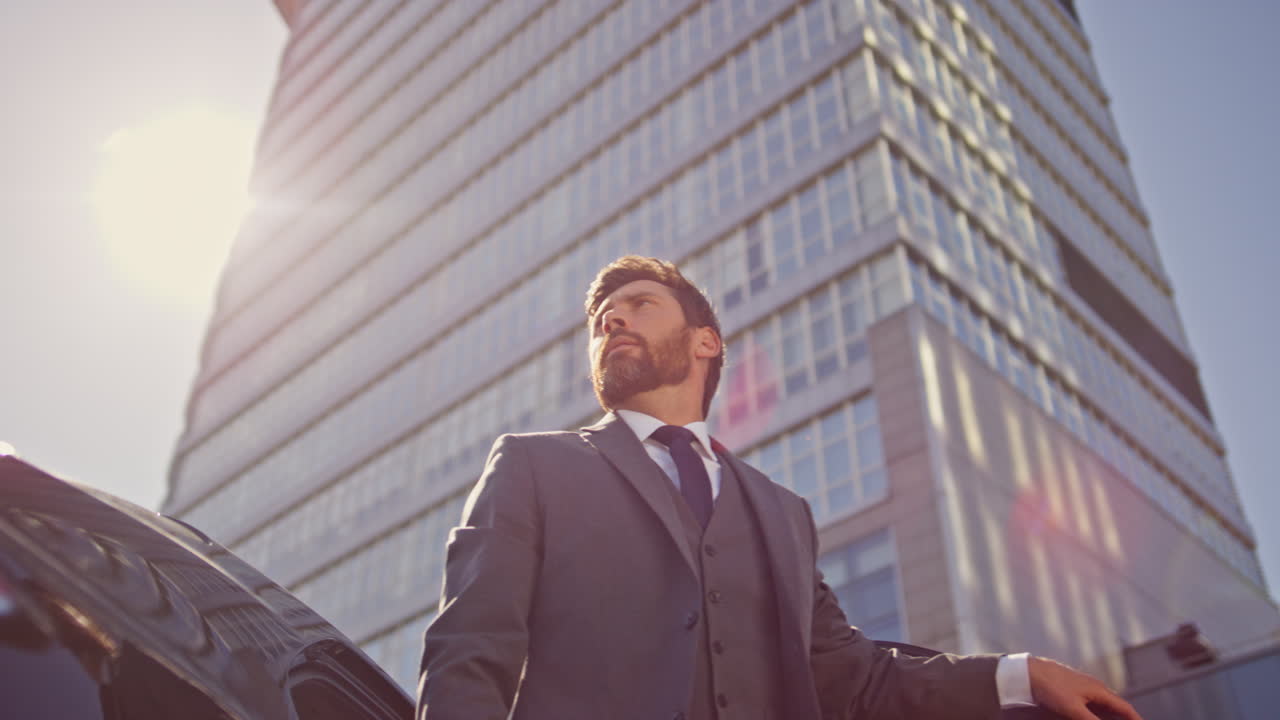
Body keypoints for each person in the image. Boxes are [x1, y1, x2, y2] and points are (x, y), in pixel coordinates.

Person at [418, 256, 1141, 720]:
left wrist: (1018, 675)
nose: (612, 320)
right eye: (602, 321)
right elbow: (468, 651)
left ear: (707, 342)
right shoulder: (532, 465)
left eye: (640, 304)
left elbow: (853, 679)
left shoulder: (783, 514)